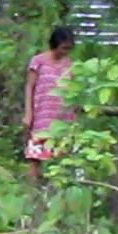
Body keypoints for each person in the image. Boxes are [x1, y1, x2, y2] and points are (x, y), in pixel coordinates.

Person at [24, 26, 76, 179]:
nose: (65, 52)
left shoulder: (70, 65)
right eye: (63, 48)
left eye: (68, 49)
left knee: (61, 156)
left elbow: (73, 90)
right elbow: (29, 87)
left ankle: (56, 190)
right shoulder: (38, 61)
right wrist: (28, 113)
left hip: (63, 117)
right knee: (35, 156)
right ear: (55, 44)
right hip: (42, 115)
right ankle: (33, 192)